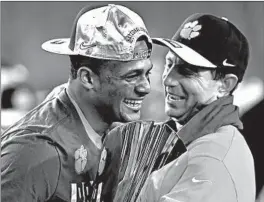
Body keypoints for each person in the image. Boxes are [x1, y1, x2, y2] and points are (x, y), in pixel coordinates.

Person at [1, 4, 153, 202]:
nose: (145, 87)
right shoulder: (34, 153)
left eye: (147, 73)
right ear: (88, 79)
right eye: (132, 76)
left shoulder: (109, 130)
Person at [135, 13, 256, 202]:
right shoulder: (187, 141)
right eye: (169, 64)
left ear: (225, 85)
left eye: (187, 70)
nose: (168, 80)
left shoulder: (213, 159)